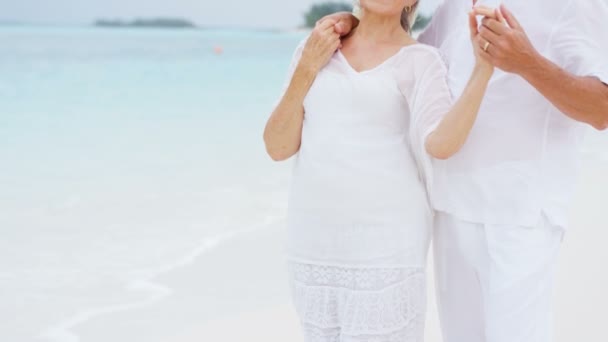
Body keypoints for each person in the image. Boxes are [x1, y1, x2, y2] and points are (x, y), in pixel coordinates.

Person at [321, 0, 608, 341]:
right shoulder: (456, 4)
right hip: (449, 208)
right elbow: (405, 58)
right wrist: (356, 27)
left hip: (520, 216)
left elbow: (601, 109)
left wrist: (525, 62)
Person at [263, 0, 494, 340]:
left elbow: (441, 143)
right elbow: (277, 147)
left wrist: (483, 70)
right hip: (313, 247)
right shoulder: (314, 48)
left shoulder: (420, 61)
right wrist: (307, 67)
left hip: (384, 253)